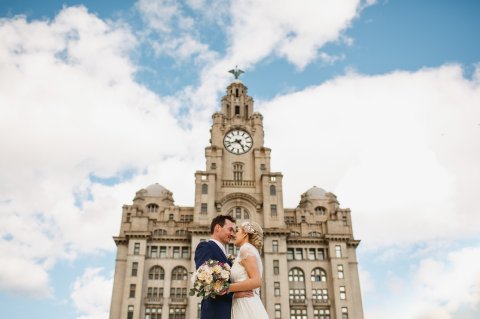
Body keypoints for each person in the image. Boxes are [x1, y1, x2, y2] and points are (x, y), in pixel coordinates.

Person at [194, 215, 253, 319]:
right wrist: (234, 294)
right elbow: (205, 280)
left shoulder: (227, 256)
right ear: (218, 228)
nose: (232, 234)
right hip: (215, 312)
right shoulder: (205, 246)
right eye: (230, 229)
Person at [228, 221, 269, 319]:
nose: (234, 234)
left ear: (245, 234)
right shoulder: (249, 250)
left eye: (238, 231)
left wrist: (227, 288)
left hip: (245, 304)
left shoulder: (246, 249)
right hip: (243, 301)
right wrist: (234, 294)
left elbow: (256, 281)